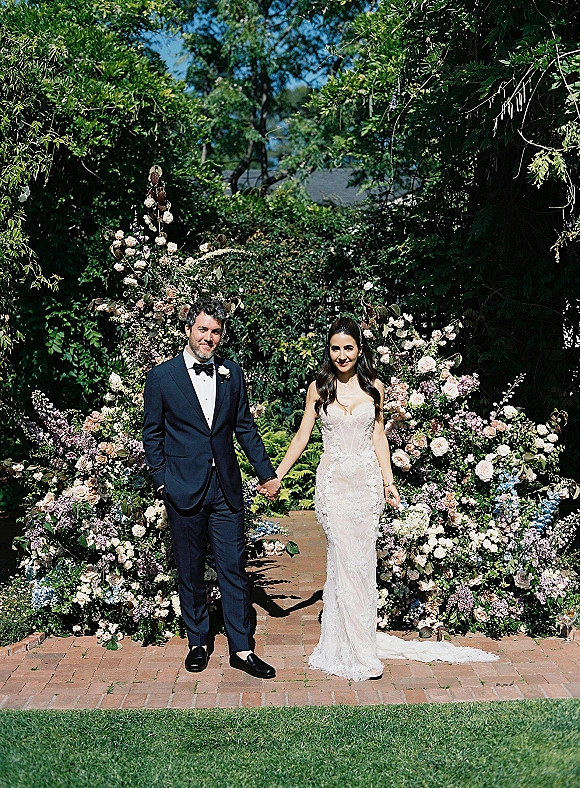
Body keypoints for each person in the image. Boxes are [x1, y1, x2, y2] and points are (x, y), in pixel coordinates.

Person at [275, 317, 498, 681]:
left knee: (360, 563)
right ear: (328, 351)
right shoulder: (318, 388)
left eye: (348, 348)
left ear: (359, 350)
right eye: (335, 348)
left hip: (365, 486)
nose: (342, 354)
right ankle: (346, 645)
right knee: (341, 558)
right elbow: (302, 436)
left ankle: (358, 641)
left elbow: (379, 437)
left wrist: (389, 483)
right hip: (332, 486)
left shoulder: (374, 387)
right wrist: (278, 475)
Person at [142, 299, 280, 679]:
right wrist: (162, 481)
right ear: (188, 329)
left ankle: (242, 649)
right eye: (203, 329)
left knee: (233, 568)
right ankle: (198, 643)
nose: (209, 337)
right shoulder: (161, 378)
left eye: (216, 331)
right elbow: (151, 434)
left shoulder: (231, 374)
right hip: (182, 488)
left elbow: (245, 428)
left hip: (226, 489)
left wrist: (266, 473)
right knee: (190, 570)